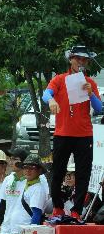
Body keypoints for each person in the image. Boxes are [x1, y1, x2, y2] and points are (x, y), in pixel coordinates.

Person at [43, 45, 101, 218]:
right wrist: (52, 100)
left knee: (84, 174)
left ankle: (76, 210)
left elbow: (99, 109)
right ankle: (57, 206)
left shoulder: (90, 82)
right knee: (58, 171)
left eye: (84, 59)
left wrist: (91, 94)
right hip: (63, 133)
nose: (81, 62)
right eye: (78, 58)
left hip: (84, 135)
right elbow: (46, 93)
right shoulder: (60, 79)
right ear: (71, 60)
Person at [0, 148, 47, 234]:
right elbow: (3, 203)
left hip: (23, 231)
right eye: (26, 167)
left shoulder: (38, 183)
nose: (12, 162)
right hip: (7, 228)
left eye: (15, 159)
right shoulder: (9, 179)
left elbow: (37, 211)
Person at [3, 155, 48, 234]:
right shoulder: (28, 186)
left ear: (39, 171)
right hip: (17, 232)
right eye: (25, 167)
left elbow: (36, 214)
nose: (27, 170)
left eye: (32, 168)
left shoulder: (38, 189)